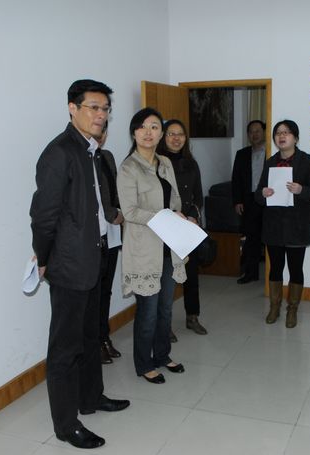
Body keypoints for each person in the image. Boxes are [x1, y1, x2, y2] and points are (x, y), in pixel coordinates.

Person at [30, 79, 130, 450]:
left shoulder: (92, 152)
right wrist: (43, 258)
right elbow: (43, 216)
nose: (101, 115)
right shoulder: (59, 152)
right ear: (73, 108)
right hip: (70, 265)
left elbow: (95, 207)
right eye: (94, 107)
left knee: (91, 337)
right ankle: (66, 424)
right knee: (65, 348)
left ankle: (91, 398)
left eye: (105, 109)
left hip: (96, 256)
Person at [117, 107, 187, 384]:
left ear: (161, 134)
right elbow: (129, 211)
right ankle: (144, 364)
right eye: (143, 127)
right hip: (144, 249)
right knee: (147, 311)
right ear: (134, 132)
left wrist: (179, 215)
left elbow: (175, 199)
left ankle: (162, 355)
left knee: (165, 308)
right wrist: (164, 217)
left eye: (154, 127)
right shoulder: (128, 168)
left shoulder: (165, 163)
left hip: (169, 246)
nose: (148, 132)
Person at [255, 119, 310, 328]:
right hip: (274, 226)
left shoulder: (306, 161)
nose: (281, 136)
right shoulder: (270, 162)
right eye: (278, 133)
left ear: (295, 138)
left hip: (297, 226)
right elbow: (258, 195)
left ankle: (292, 309)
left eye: (286, 132)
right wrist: (263, 193)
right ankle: (274, 307)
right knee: (275, 269)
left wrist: (302, 190)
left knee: (296, 269)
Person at [157, 119, 208, 338]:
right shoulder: (157, 163)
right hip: (166, 227)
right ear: (163, 137)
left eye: (180, 134)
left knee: (191, 275)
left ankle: (192, 317)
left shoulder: (191, 163)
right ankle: (164, 324)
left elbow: (198, 195)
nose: (176, 138)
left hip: (188, 226)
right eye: (171, 134)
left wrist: (193, 216)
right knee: (166, 278)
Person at [93, 121, 124, 364]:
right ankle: (95, 342)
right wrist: (113, 213)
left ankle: (104, 337)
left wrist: (120, 213)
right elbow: (97, 197)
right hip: (94, 234)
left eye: (104, 131)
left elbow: (114, 190)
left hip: (112, 232)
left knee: (106, 290)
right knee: (94, 293)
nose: (100, 135)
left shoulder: (107, 156)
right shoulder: (82, 159)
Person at [231, 120, 266, 284]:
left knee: (270, 237)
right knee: (251, 238)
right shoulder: (242, 154)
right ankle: (251, 273)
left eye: (258, 131)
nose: (255, 134)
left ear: (264, 132)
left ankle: (272, 277)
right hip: (249, 200)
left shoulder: (272, 153)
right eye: (251, 132)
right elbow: (236, 180)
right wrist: (237, 201)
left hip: (268, 199)